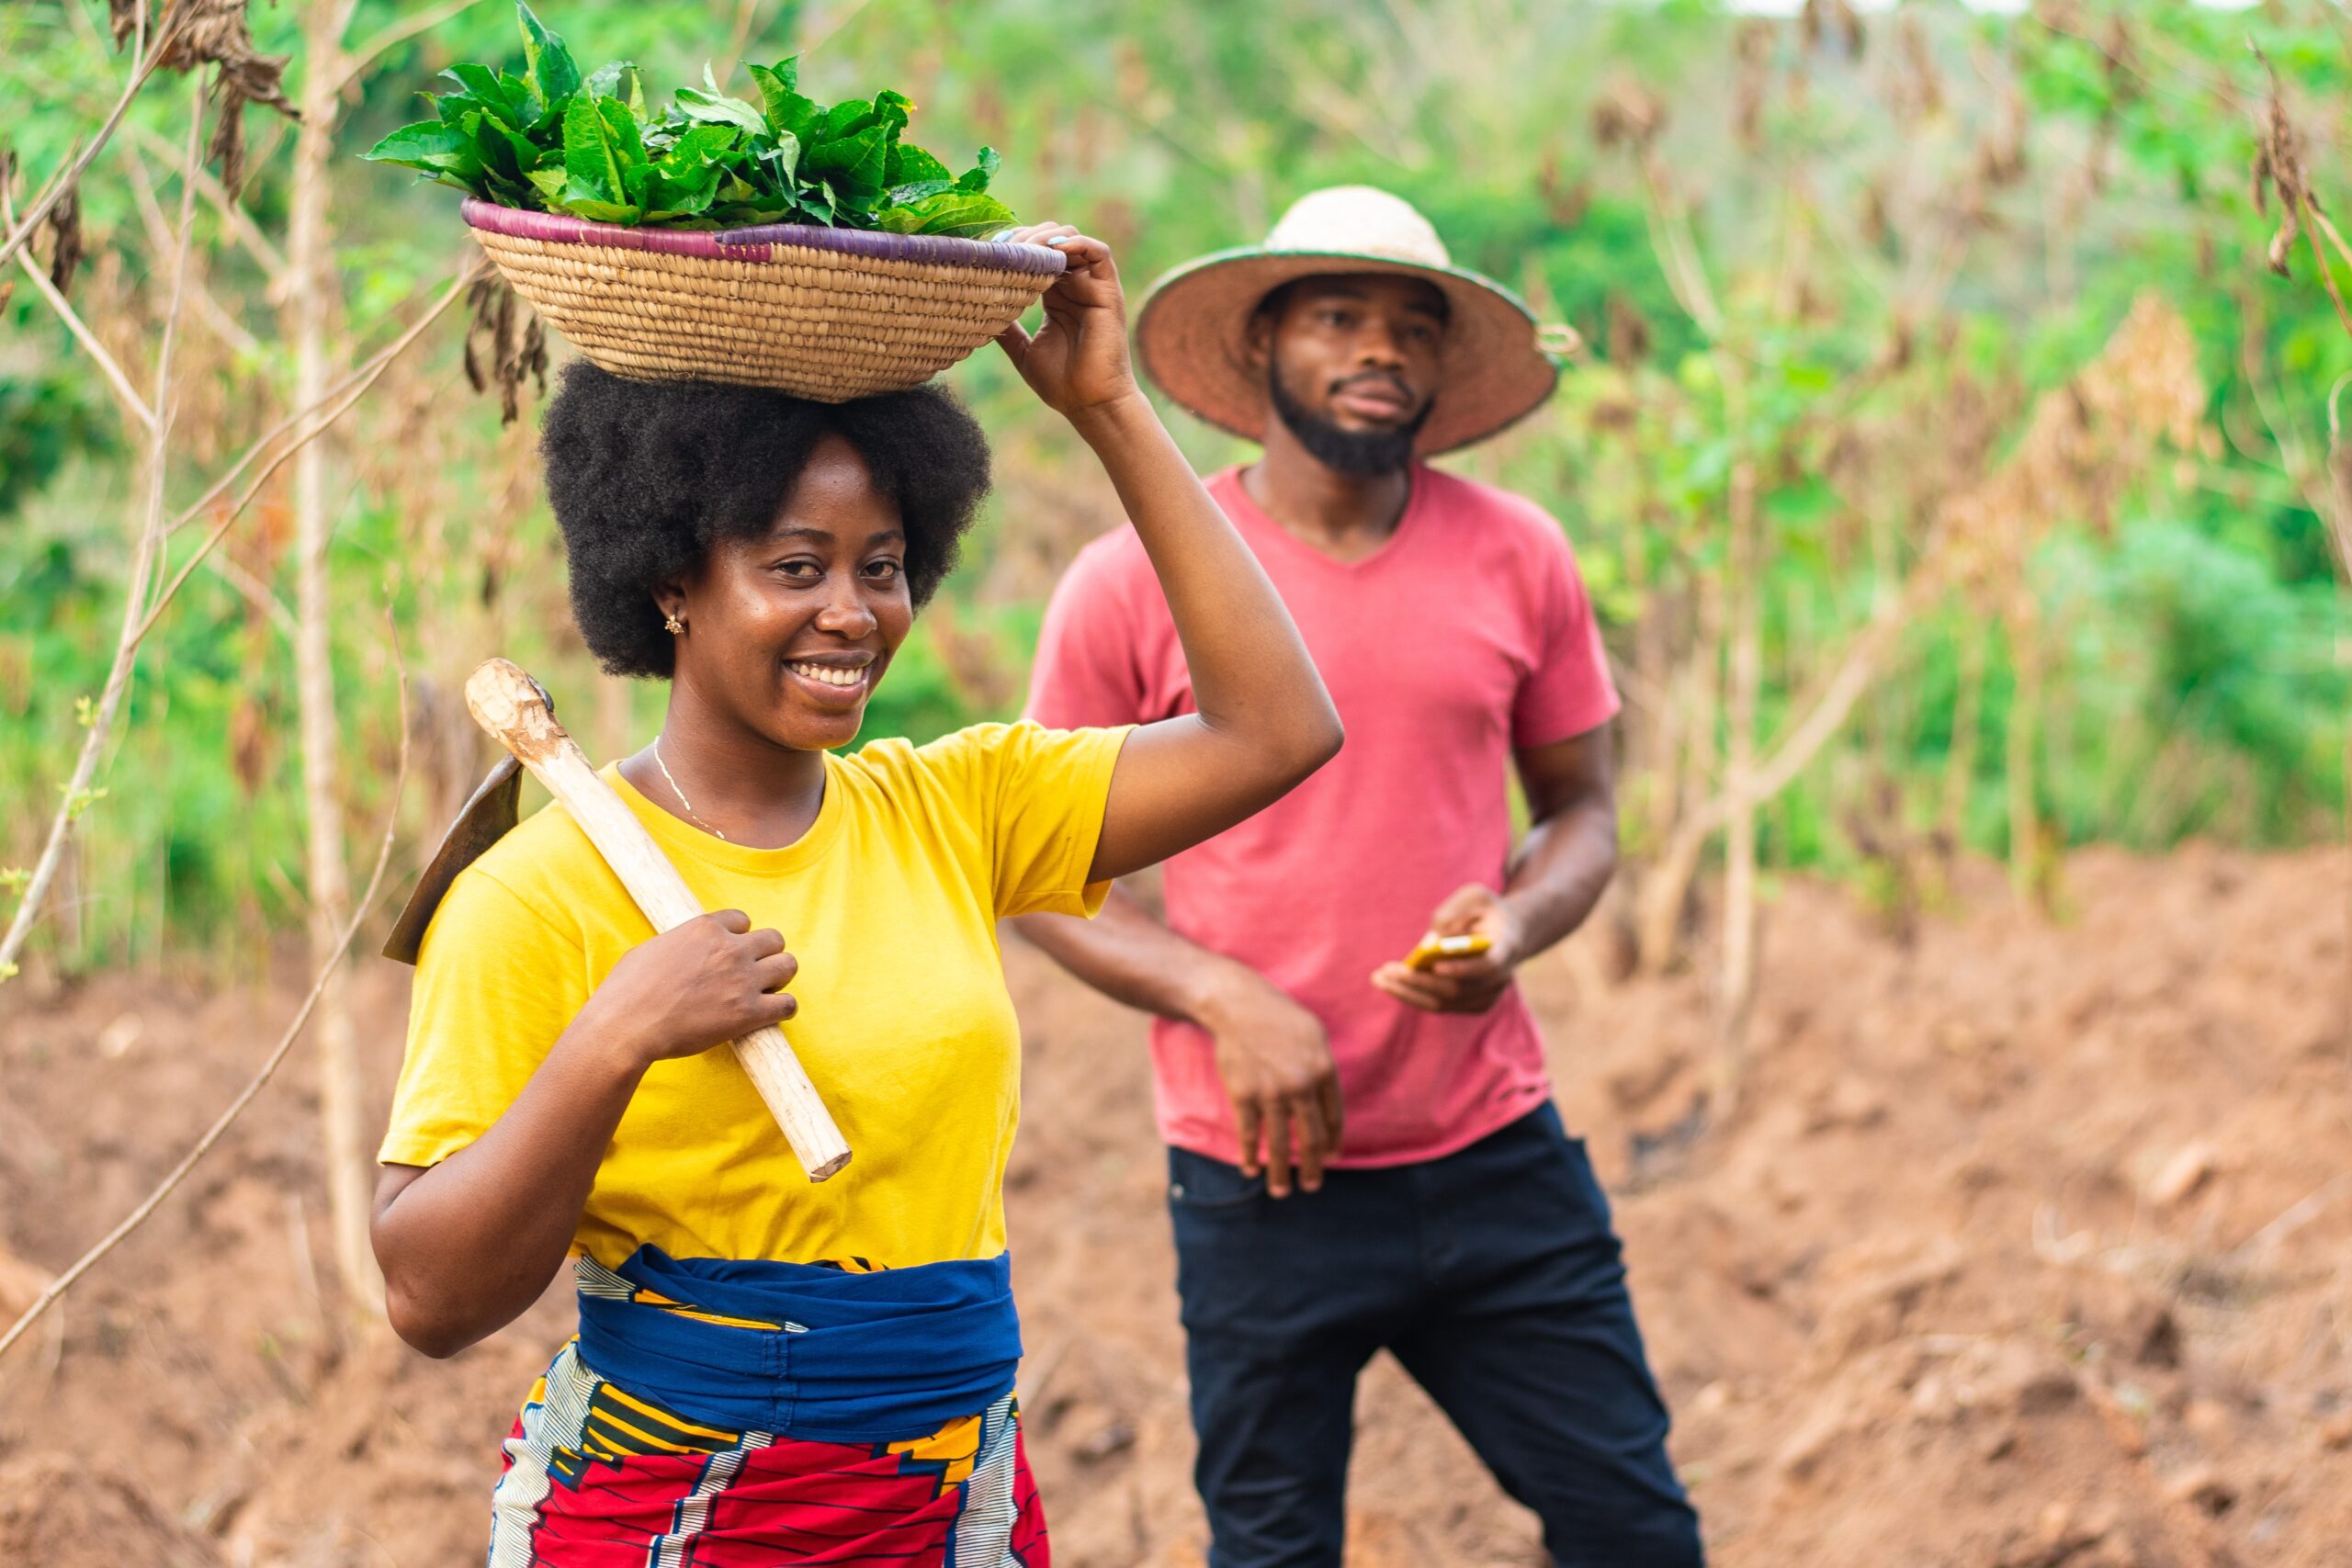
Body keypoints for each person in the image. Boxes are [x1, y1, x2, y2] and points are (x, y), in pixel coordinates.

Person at [368, 224, 1341, 1566]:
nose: (851, 613)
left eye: (880, 566)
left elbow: (1278, 730)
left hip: (949, 1501)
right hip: (672, 1514)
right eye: (794, 566)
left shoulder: (955, 808)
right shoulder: (537, 895)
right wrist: (618, 1035)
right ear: (670, 584)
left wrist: (1109, 408)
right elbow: (427, 1295)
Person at [1012, 186, 1703, 1567]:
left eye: (1410, 325)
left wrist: (1516, 924)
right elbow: (1034, 873)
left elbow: (1583, 813)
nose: (1378, 348)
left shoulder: (1521, 554)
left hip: (1496, 1152)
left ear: (1443, 368)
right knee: (1273, 1552)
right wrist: (1221, 996)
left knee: (1636, 1533)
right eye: (1337, 316)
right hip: (1259, 1171)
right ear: (1262, 346)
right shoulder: (1129, 579)